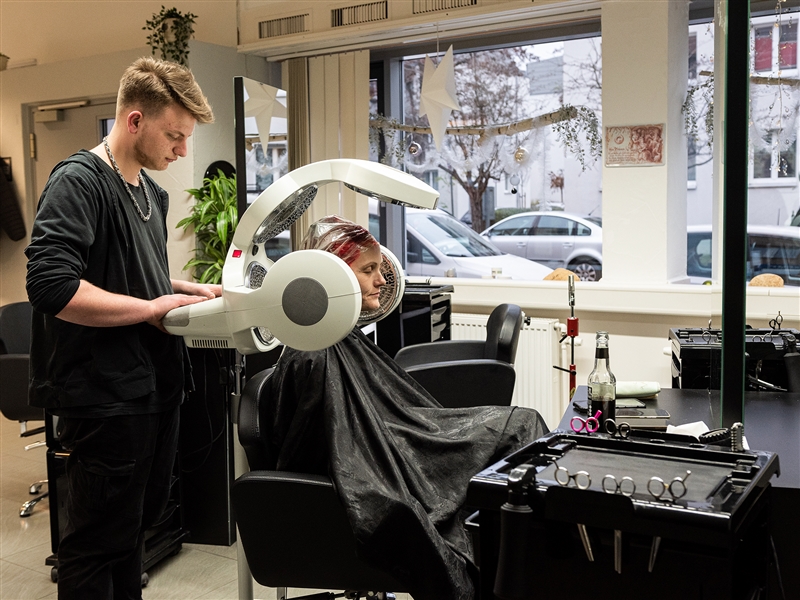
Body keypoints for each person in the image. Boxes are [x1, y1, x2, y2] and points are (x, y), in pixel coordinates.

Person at [264, 215, 550, 600]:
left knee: (522, 426)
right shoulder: (312, 355)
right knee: (515, 435)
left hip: (405, 442)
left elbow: (385, 417)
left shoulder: (337, 337)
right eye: (369, 271)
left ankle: (524, 572)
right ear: (333, 279)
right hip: (370, 476)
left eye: (380, 270)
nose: (381, 281)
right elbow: (338, 452)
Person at [25, 57, 217, 600]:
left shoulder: (149, 195)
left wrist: (183, 288)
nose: (181, 151)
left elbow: (128, 273)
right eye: (174, 136)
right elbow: (53, 287)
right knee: (93, 545)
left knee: (131, 534)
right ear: (134, 121)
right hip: (105, 396)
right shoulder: (80, 182)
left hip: (151, 389)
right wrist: (154, 307)